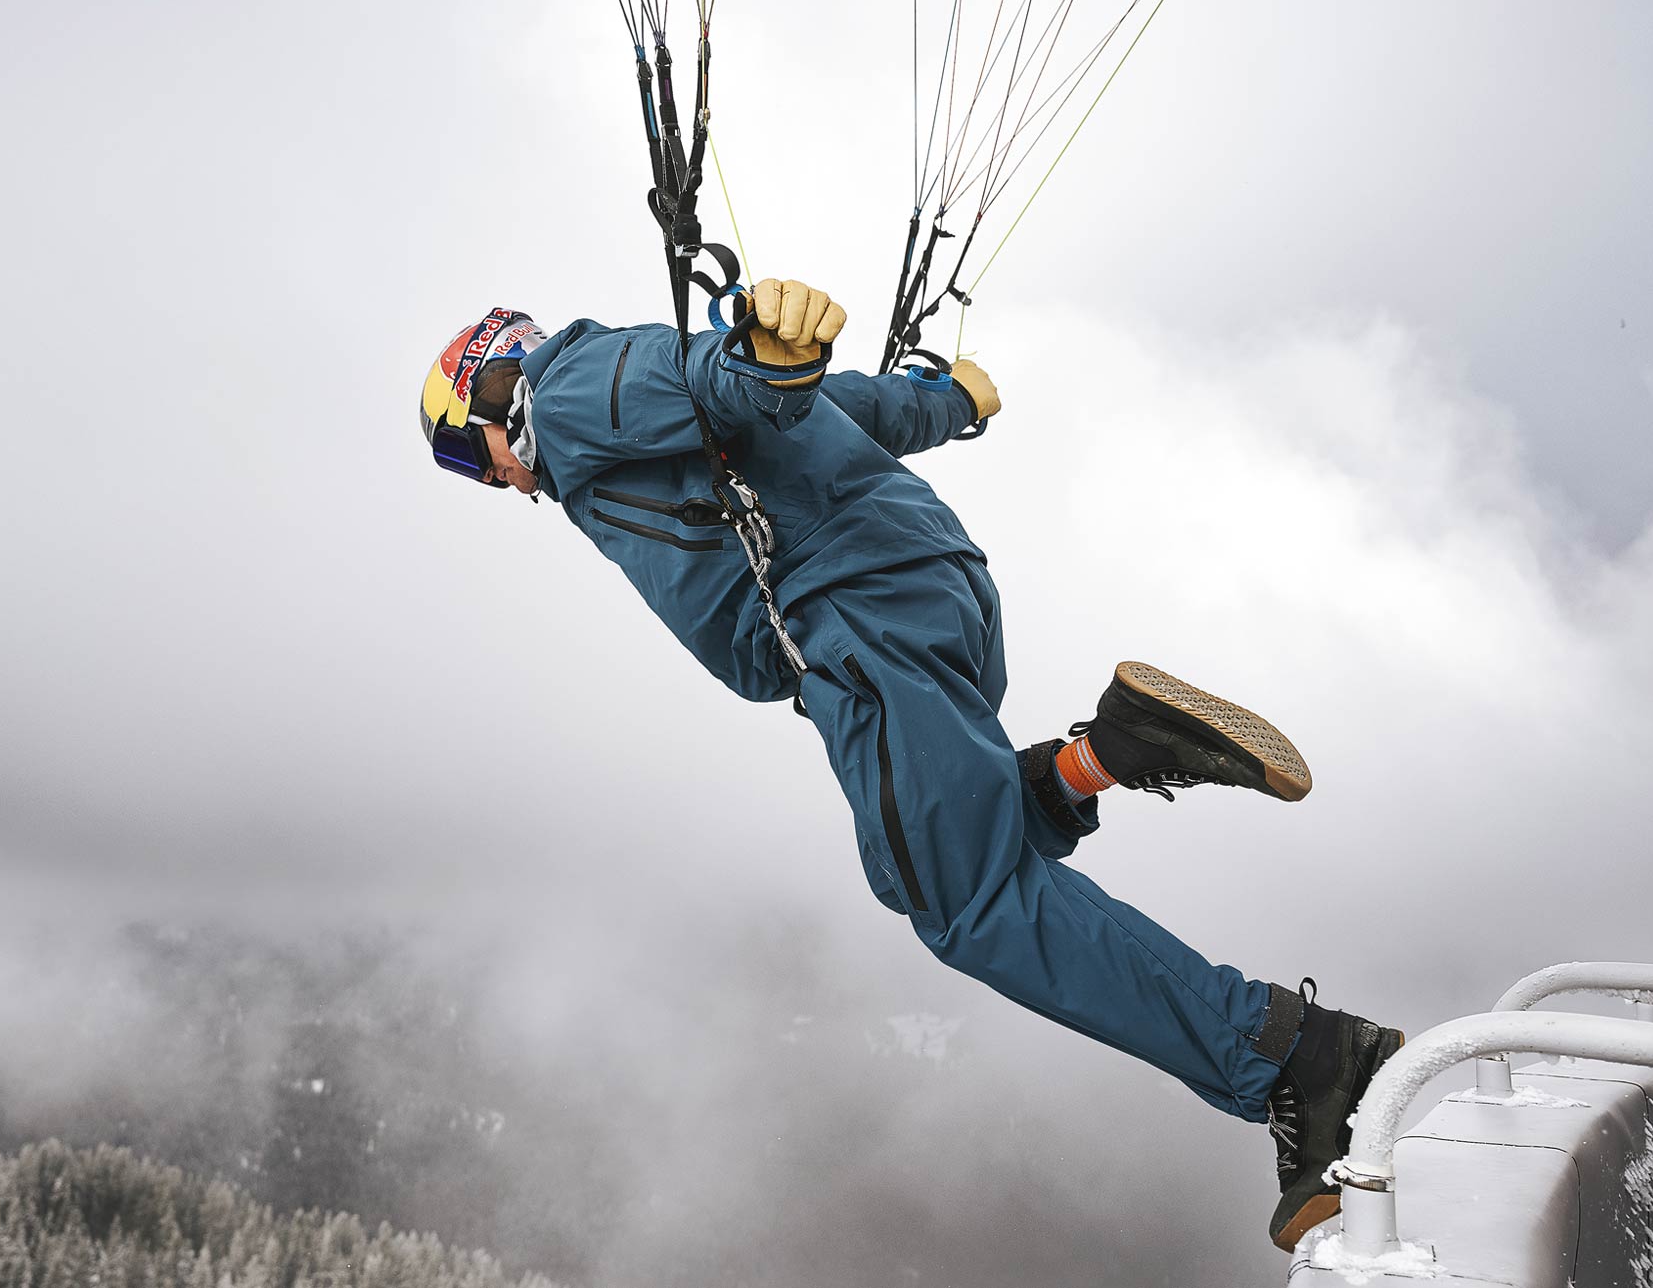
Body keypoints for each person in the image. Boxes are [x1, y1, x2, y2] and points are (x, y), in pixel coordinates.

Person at [415, 283, 1405, 1251]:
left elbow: (694, 377)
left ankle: (1301, 1061)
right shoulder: (614, 432)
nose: (494, 481)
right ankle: (1110, 753)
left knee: (967, 903)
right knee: (921, 864)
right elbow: (852, 407)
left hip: (859, 621)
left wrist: (759, 355)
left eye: (468, 452)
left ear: (492, 388)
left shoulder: (569, 389)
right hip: (924, 595)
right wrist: (953, 399)